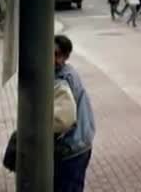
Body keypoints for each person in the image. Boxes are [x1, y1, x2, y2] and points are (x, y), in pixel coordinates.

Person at [54, 35, 95, 192]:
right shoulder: (67, 72)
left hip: (73, 148)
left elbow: (62, 120)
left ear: (66, 57)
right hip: (80, 143)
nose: (55, 59)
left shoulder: (63, 78)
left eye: (58, 55)